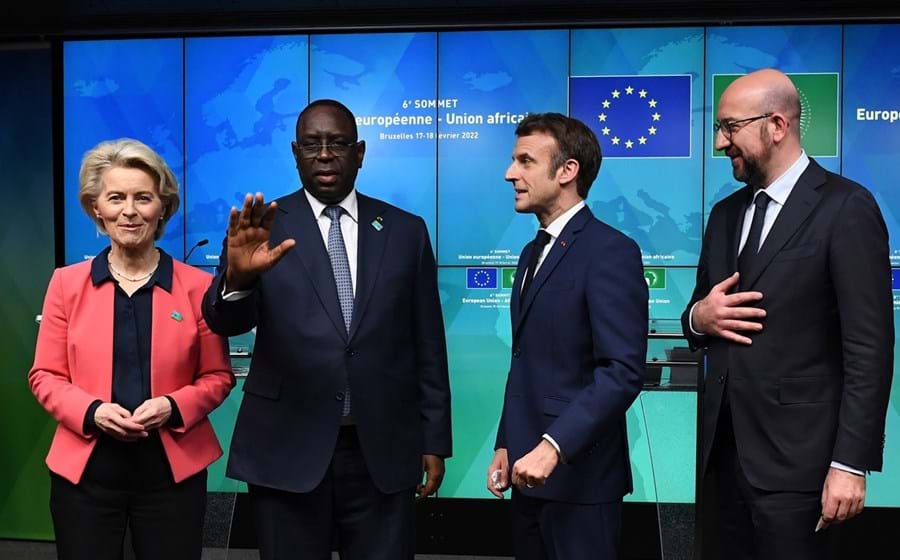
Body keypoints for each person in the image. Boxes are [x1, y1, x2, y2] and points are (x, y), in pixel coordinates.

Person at [201, 99, 452, 559]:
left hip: (382, 448)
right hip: (286, 447)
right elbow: (226, 320)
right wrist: (239, 279)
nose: (324, 154)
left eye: (336, 143)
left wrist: (434, 439)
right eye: (312, 145)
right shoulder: (262, 230)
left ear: (359, 152)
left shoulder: (405, 231)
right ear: (295, 152)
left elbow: (428, 344)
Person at [682, 68, 894, 559]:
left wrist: (850, 463)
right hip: (723, 465)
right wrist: (699, 318)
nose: (719, 142)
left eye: (730, 127)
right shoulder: (724, 215)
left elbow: (869, 348)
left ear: (776, 125)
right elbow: (699, 312)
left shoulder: (846, 208)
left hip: (806, 472)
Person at [28, 138, 235, 560]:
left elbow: (218, 377)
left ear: (162, 207)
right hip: (85, 476)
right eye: (116, 197)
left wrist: (172, 406)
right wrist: (92, 412)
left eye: (143, 198)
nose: (130, 210)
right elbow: (44, 376)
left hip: (171, 476)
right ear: (96, 208)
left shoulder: (198, 287)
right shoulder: (66, 284)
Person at [487, 113, 647, 559]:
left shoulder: (610, 251)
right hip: (527, 475)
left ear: (567, 171)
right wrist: (506, 442)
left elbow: (621, 371)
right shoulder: (530, 252)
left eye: (524, 161)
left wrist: (553, 447)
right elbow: (525, 359)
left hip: (581, 481)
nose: (509, 173)